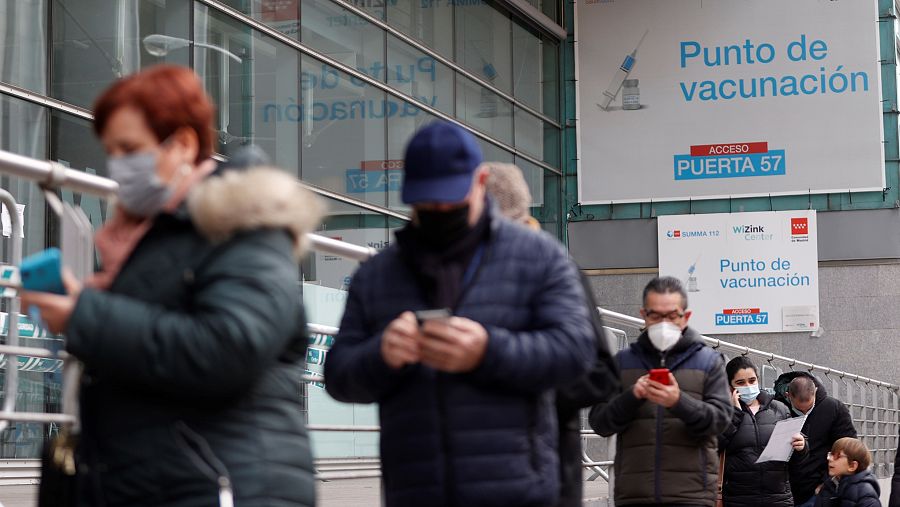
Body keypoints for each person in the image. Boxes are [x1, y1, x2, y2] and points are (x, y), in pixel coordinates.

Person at [21, 65, 320, 507]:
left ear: (182, 144)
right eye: (111, 152)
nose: (118, 167)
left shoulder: (246, 226)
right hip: (167, 481)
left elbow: (228, 348)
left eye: (130, 149)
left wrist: (86, 313)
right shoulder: (156, 237)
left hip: (225, 483)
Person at [323, 122, 597, 507]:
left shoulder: (538, 256)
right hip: (415, 491)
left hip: (518, 491)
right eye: (426, 203)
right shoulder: (378, 273)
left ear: (481, 181)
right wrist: (381, 353)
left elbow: (578, 352)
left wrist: (487, 350)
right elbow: (338, 375)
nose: (439, 211)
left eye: (451, 201)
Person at [482, 161, 622, 507]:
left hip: (546, 464)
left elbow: (599, 375)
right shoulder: (462, 275)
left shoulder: (557, 271)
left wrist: (513, 378)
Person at [589, 276, 732, 507]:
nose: (663, 323)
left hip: (691, 495)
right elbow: (600, 422)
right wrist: (632, 396)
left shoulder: (709, 362)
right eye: (655, 315)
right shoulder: (622, 363)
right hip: (634, 494)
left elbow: (721, 421)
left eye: (672, 316)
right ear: (643, 315)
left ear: (685, 317)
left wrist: (679, 401)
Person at [718, 356, 807, 507]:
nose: (748, 386)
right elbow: (713, 446)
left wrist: (802, 446)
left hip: (778, 498)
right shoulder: (722, 412)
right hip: (739, 499)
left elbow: (797, 459)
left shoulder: (779, 409)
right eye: (740, 383)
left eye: (752, 381)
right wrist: (734, 415)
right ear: (730, 386)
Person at [775, 373, 857, 507]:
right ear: (788, 396)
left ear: (816, 392)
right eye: (799, 410)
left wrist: (828, 482)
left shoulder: (835, 409)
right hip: (782, 492)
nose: (805, 413)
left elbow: (849, 448)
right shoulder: (777, 409)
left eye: (809, 408)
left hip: (817, 492)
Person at [814, 438, 880, 507]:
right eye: (831, 454)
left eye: (837, 456)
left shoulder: (866, 496)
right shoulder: (828, 486)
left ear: (852, 466)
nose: (829, 459)